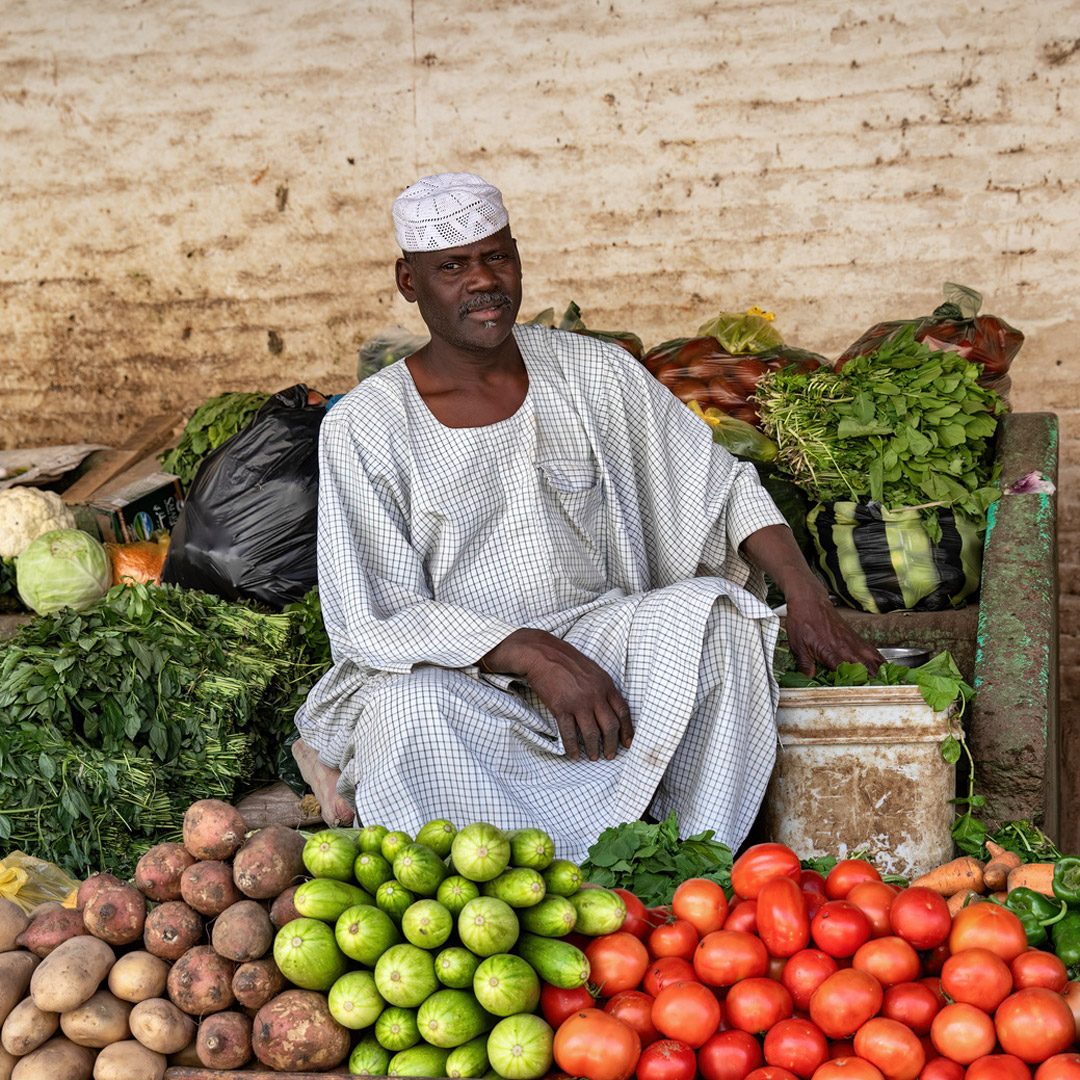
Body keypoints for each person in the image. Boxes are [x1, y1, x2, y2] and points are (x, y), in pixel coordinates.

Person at [292, 171, 880, 859]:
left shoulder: (593, 373)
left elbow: (720, 487)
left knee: (721, 622)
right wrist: (532, 652)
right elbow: (377, 615)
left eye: (496, 257)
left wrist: (806, 596)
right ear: (409, 281)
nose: (482, 281)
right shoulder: (366, 424)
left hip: (604, 642)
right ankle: (503, 885)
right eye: (452, 266)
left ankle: (688, 869)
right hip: (465, 675)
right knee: (402, 716)